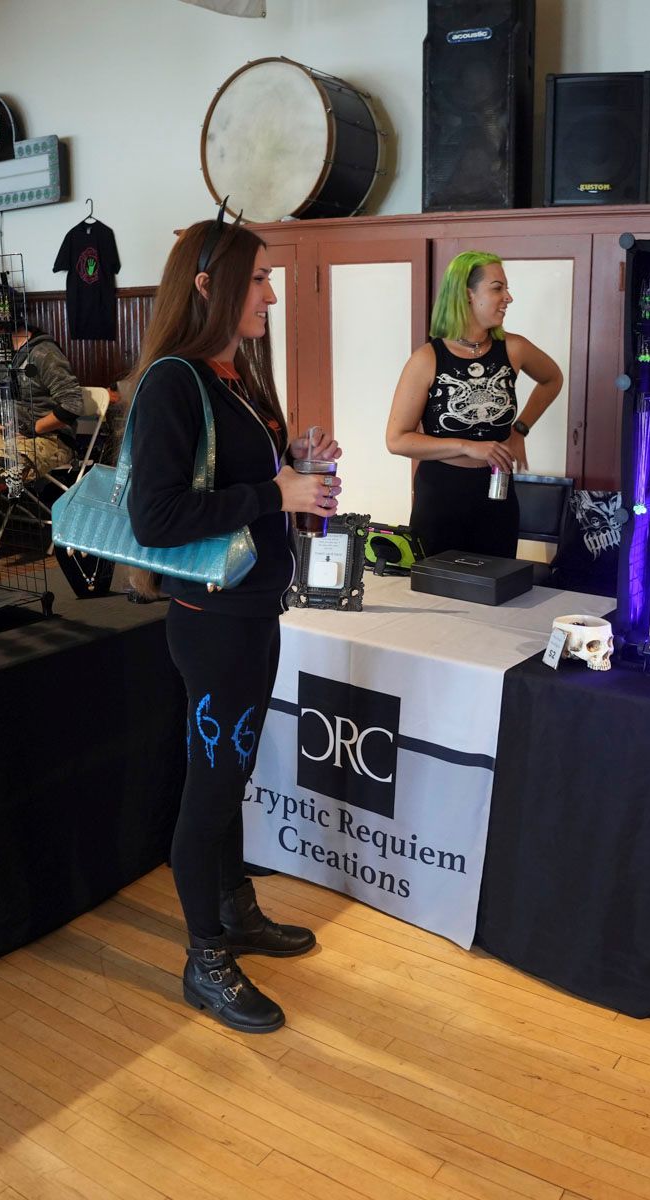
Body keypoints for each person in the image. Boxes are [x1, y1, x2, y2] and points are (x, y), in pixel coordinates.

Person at [128, 211, 342, 1034]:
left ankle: (234, 910)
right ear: (208, 285)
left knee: (231, 776)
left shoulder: (233, 377)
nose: (271, 296)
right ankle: (205, 959)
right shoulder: (173, 381)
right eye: (258, 280)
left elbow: (238, 487)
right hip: (213, 621)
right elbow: (156, 517)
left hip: (251, 611)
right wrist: (273, 491)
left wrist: (294, 469)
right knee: (212, 787)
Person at [384, 250, 563, 557]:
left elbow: (552, 379)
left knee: (499, 581)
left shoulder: (514, 348)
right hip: (441, 495)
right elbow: (396, 440)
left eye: (506, 289)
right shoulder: (427, 359)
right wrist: (468, 446)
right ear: (467, 294)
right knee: (439, 584)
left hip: (497, 492)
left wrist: (519, 430)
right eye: (497, 288)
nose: (508, 298)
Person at [0, 309, 86, 529]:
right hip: (8, 436)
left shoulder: (44, 353)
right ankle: (2, 465)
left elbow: (72, 406)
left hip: (49, 438)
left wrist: (31, 428)